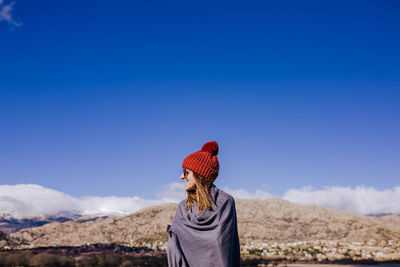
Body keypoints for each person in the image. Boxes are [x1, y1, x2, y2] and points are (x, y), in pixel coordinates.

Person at [166, 141, 241, 267]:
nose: (181, 176)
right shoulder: (183, 209)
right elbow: (175, 249)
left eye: (186, 172)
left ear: (199, 174)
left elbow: (225, 251)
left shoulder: (225, 203)